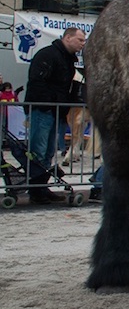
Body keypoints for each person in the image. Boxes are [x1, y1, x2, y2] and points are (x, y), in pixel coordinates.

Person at [25, 27, 86, 203]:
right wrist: (51, 102)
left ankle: (41, 187)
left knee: (48, 152)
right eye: (80, 40)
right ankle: (36, 190)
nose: (83, 44)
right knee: (38, 150)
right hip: (43, 109)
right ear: (68, 38)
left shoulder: (67, 59)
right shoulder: (48, 55)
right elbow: (37, 82)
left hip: (55, 110)